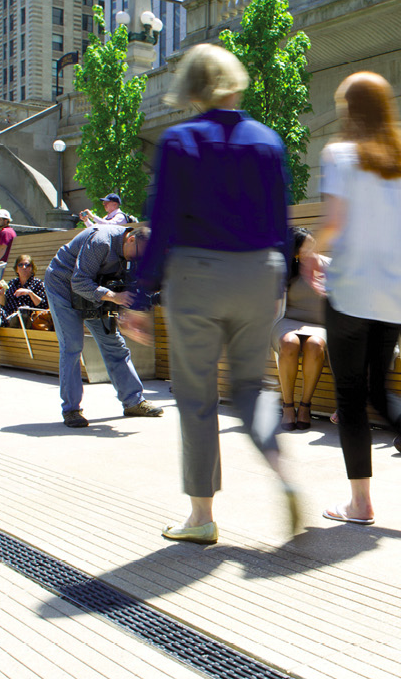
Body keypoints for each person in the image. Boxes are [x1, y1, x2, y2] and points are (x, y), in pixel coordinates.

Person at [126, 43, 296, 545]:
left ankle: (202, 517)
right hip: (258, 274)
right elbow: (281, 223)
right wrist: (277, 283)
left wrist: (139, 298)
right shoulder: (268, 140)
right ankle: (283, 472)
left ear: (193, 88)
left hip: (197, 276)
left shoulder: (180, 142)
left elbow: (164, 223)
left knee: (197, 396)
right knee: (249, 388)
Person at [311, 70, 401, 526]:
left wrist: (312, 248)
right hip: (398, 291)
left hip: (353, 287)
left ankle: (360, 503)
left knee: (351, 395)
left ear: (349, 111)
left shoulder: (340, 155)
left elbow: (335, 220)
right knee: (379, 389)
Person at [43, 225, 162, 428]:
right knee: (72, 346)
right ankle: (71, 410)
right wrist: (114, 297)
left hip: (95, 292)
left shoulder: (132, 253)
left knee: (115, 345)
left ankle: (133, 402)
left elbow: (127, 288)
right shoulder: (101, 241)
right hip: (63, 285)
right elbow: (79, 282)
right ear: (131, 240)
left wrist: (128, 311)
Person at [273, 226, 331, 431]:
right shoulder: (285, 269)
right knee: (289, 343)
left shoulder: (327, 266)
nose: (310, 250)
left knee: (315, 345)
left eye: (312, 245)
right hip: (288, 320)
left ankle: (305, 405)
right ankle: (288, 406)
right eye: (304, 247)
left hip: (320, 325)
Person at [0, 254, 48, 372]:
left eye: (27, 265)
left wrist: (29, 293)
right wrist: (1, 296)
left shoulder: (37, 283)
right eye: (21, 265)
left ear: (32, 268)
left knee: (17, 312)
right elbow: (4, 304)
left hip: (25, 317)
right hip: (9, 315)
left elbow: (43, 305)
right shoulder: (12, 283)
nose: (24, 267)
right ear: (16, 268)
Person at [0, 210, 16, 283]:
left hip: (3, 266)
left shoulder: (5, 232)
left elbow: (3, 248)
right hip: (6, 265)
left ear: (6, 221)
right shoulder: (9, 231)